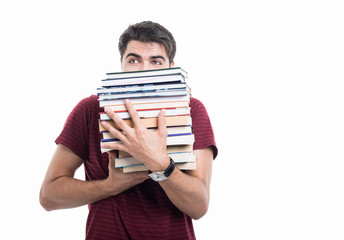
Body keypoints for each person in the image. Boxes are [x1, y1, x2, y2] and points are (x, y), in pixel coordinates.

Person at [39, 21, 218, 240]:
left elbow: (199, 206)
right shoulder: (90, 110)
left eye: (156, 61)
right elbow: (49, 196)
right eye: (134, 60)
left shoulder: (193, 111)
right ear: (121, 64)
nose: (144, 70)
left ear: (171, 67)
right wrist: (110, 186)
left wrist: (159, 163)